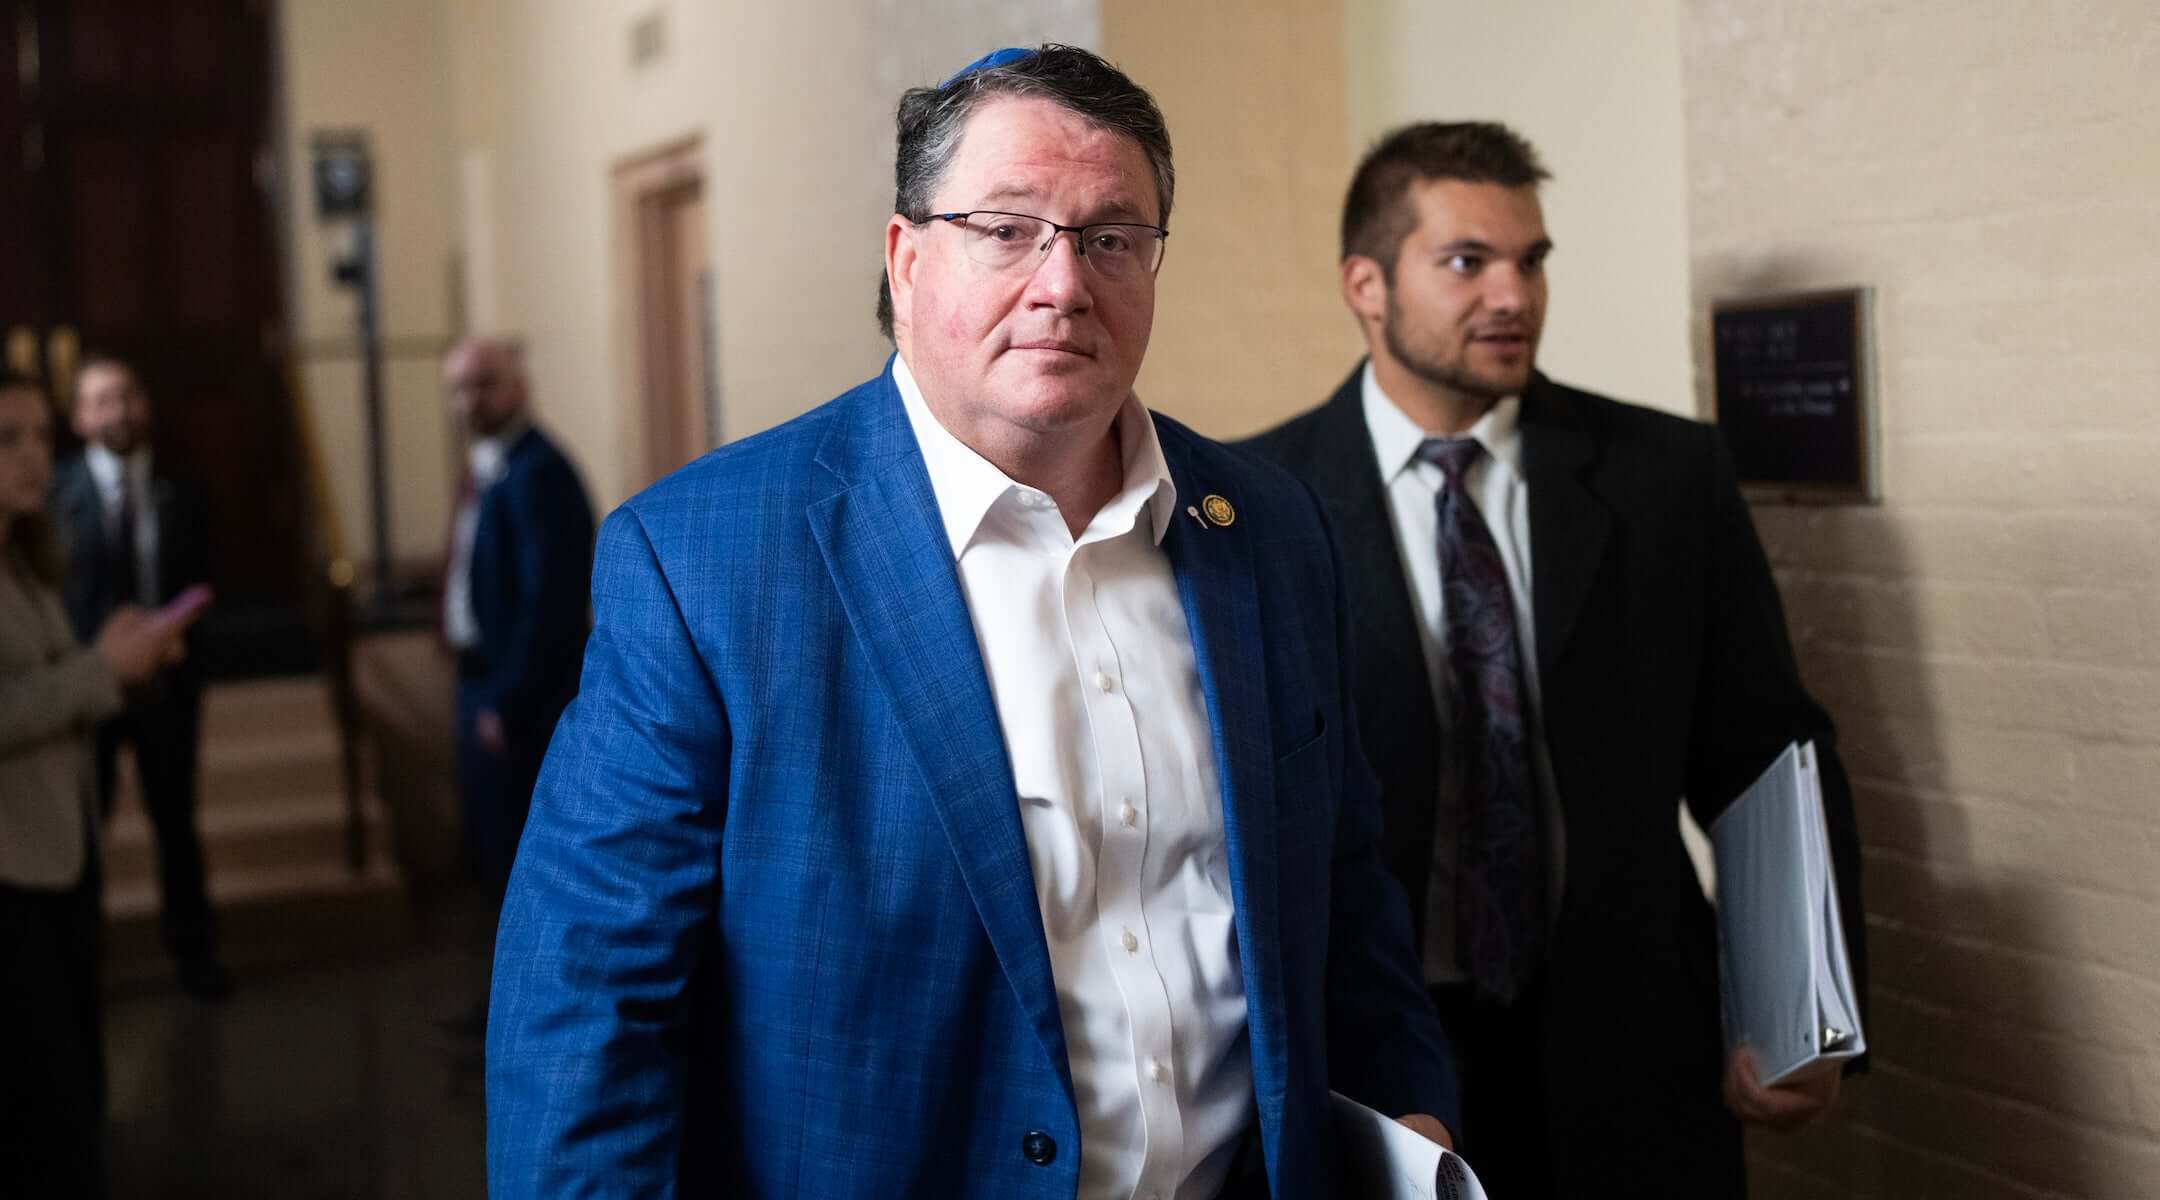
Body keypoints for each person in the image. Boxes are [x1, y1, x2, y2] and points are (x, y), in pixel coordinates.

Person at [488, 45, 1457, 1199]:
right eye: (1006, 230)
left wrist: (1413, 1107)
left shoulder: (1271, 531)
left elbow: (1343, 886)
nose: (1063, 283)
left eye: (1112, 238)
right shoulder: (705, 561)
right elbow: (587, 1009)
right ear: (906, 259)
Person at [1242, 121, 1868, 1198]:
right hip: (1389, 1064)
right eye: (1466, 262)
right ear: (1367, 285)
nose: (1513, 297)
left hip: (1636, 1044)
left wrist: (1807, 1013)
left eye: (1531, 262)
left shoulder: (1666, 475)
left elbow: (1766, 754)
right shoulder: (1258, 502)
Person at [1, 370, 194, 1197]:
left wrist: (114, 657)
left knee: (77, 1097)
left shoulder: (23, 556)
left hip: (56, 856)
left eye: (43, 436)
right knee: (44, 1112)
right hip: (10, 872)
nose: (35, 457)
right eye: (8, 439)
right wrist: (100, 670)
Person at [49, 353, 228, 1000]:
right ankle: (80, 966)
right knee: (85, 830)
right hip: (87, 688)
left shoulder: (182, 484)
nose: (116, 410)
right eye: (101, 399)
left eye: (125, 395)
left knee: (176, 822)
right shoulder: (52, 490)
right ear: (79, 416)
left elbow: (206, 580)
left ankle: (194, 953)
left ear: (144, 405)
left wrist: (181, 646)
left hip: (167, 686)